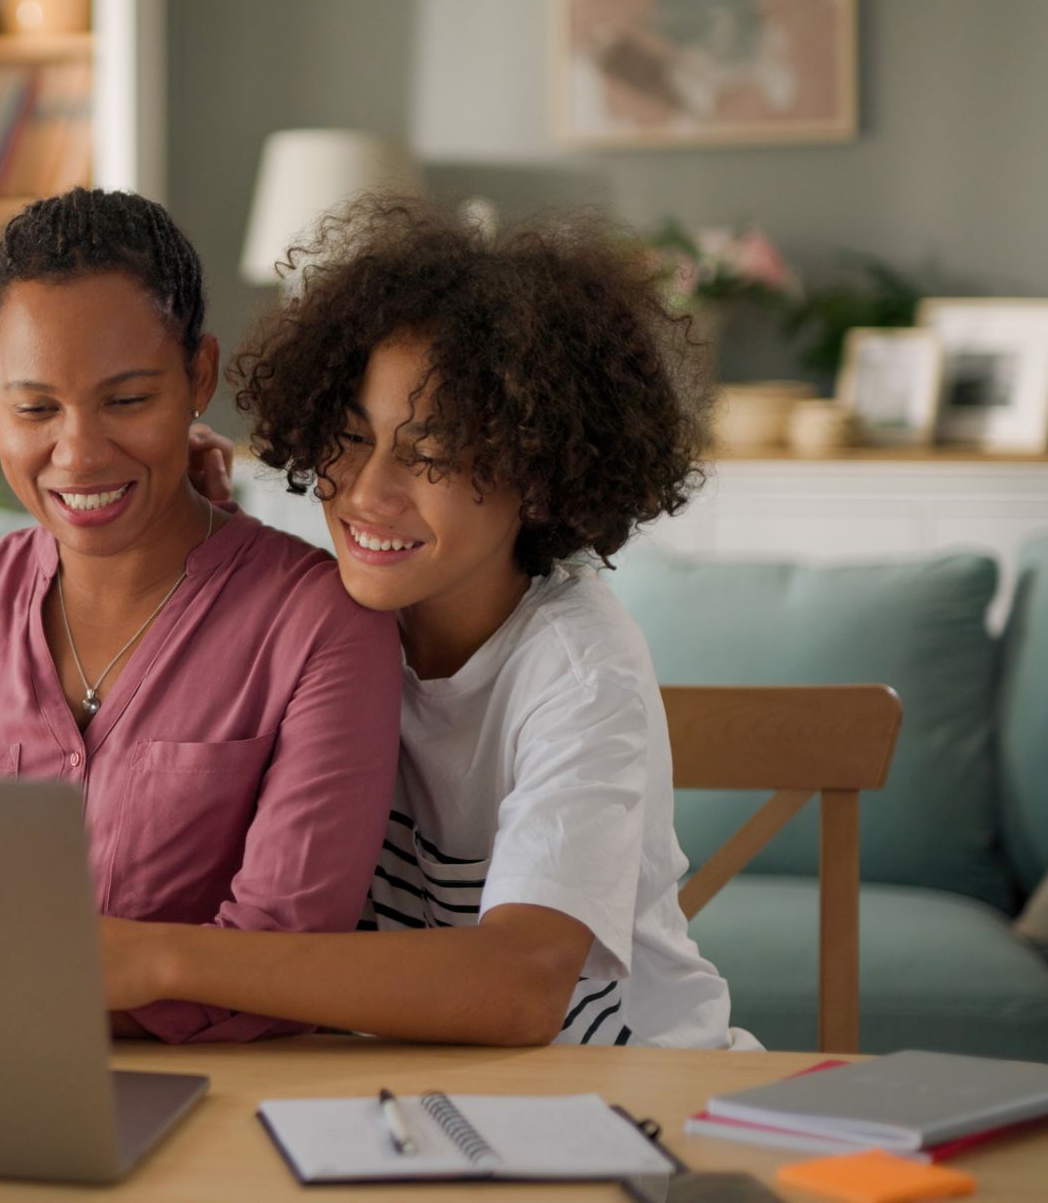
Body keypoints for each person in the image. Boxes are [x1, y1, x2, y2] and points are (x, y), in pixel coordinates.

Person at [100, 197, 745, 1049]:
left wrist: (163, 960)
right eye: (349, 435)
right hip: (425, 1092)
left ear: (539, 474)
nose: (369, 492)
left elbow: (520, 986)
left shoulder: (577, 668)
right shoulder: (334, 618)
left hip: (635, 1094)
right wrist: (210, 533)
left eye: (430, 454)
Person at [0, 188, 402, 1044]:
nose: (78, 454)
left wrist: (0, 995)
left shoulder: (320, 628)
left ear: (199, 376)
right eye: (36, 408)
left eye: (127, 400)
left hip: (222, 1095)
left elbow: (284, 953)